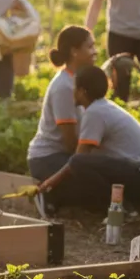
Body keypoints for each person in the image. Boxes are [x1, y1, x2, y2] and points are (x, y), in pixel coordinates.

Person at [36, 65, 140, 217]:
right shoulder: (102, 107)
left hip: (139, 176)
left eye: (75, 88)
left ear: (82, 92)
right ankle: (118, 206)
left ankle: (121, 208)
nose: (72, 92)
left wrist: (50, 182)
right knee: (82, 164)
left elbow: (78, 158)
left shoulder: (94, 113)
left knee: (78, 163)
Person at [26, 25, 97, 185]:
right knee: (96, 175)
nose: (95, 51)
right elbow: (70, 141)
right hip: (48, 158)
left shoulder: (78, 80)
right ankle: (51, 199)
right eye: (90, 46)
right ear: (74, 51)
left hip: (63, 155)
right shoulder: (64, 87)